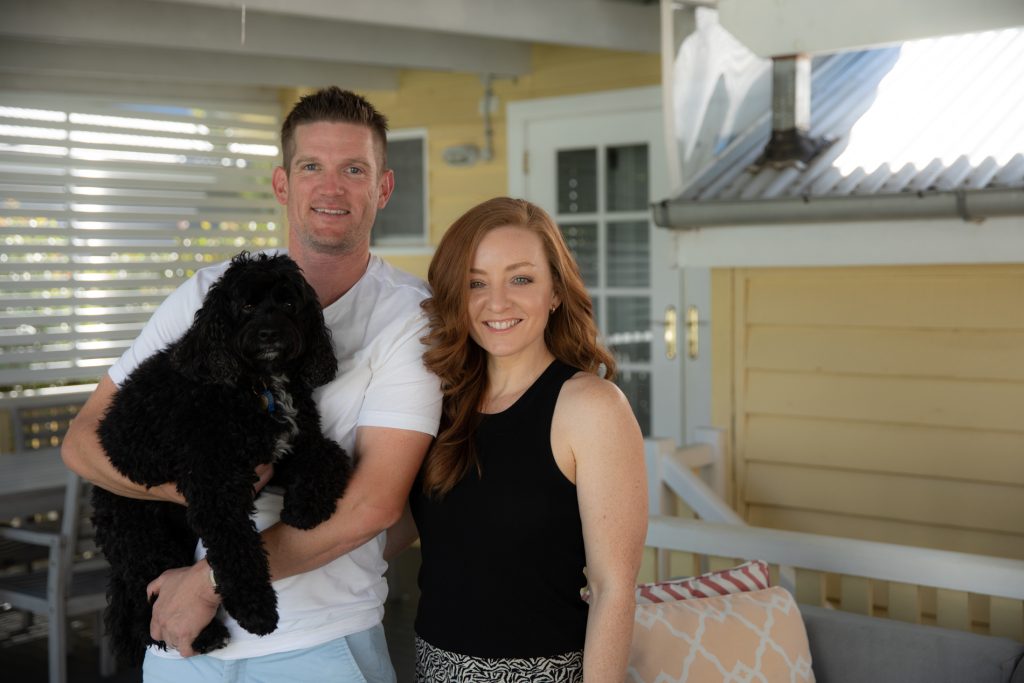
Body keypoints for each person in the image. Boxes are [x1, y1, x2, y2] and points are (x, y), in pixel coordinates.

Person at [62, 86, 442, 682]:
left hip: (318, 640)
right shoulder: (207, 294)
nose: (331, 187)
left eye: (354, 169)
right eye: (311, 166)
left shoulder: (411, 318)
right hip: (180, 640)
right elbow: (83, 441)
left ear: (383, 187)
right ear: (282, 184)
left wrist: (211, 582)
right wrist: (196, 491)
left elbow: (375, 504)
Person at [385, 197, 648, 682]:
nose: (498, 302)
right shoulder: (440, 402)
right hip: (432, 667)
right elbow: (395, 527)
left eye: (521, 279)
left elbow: (614, 588)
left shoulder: (591, 407)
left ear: (555, 292)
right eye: (476, 283)